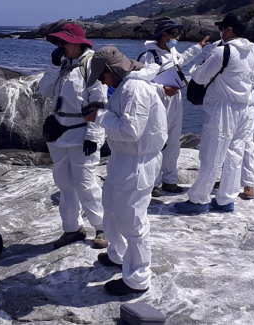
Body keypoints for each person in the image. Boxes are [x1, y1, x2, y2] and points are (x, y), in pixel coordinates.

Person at [84, 46, 167, 296]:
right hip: (125, 158)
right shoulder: (127, 86)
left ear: (111, 70)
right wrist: (104, 111)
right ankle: (119, 254)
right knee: (111, 206)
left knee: (133, 220)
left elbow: (131, 131)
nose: (101, 80)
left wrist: (99, 116)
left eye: (102, 75)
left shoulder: (135, 88)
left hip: (137, 161)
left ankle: (138, 277)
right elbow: (124, 120)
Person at [174, 13, 254, 214]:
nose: (220, 31)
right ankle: (225, 200)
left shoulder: (224, 51)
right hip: (243, 107)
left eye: (222, 28)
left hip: (223, 107)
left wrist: (196, 68)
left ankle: (198, 200)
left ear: (229, 30)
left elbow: (202, 76)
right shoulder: (252, 50)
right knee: (235, 153)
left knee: (212, 153)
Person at [38, 23, 109, 249]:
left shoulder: (92, 66)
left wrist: (94, 136)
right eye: (58, 42)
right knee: (65, 184)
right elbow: (44, 91)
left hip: (81, 132)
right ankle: (72, 228)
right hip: (59, 132)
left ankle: (102, 226)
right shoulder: (63, 66)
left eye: (63, 42)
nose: (60, 46)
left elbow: (100, 103)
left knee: (86, 184)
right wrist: (52, 65)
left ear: (77, 42)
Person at [138, 19, 210, 197]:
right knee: (156, 142)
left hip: (174, 100)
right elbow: (141, 84)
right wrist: (163, 90)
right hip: (159, 101)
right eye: (175, 33)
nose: (177, 37)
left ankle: (169, 180)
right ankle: (152, 183)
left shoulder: (171, 52)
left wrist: (198, 48)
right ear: (164, 35)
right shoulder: (150, 56)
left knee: (173, 141)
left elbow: (182, 60)